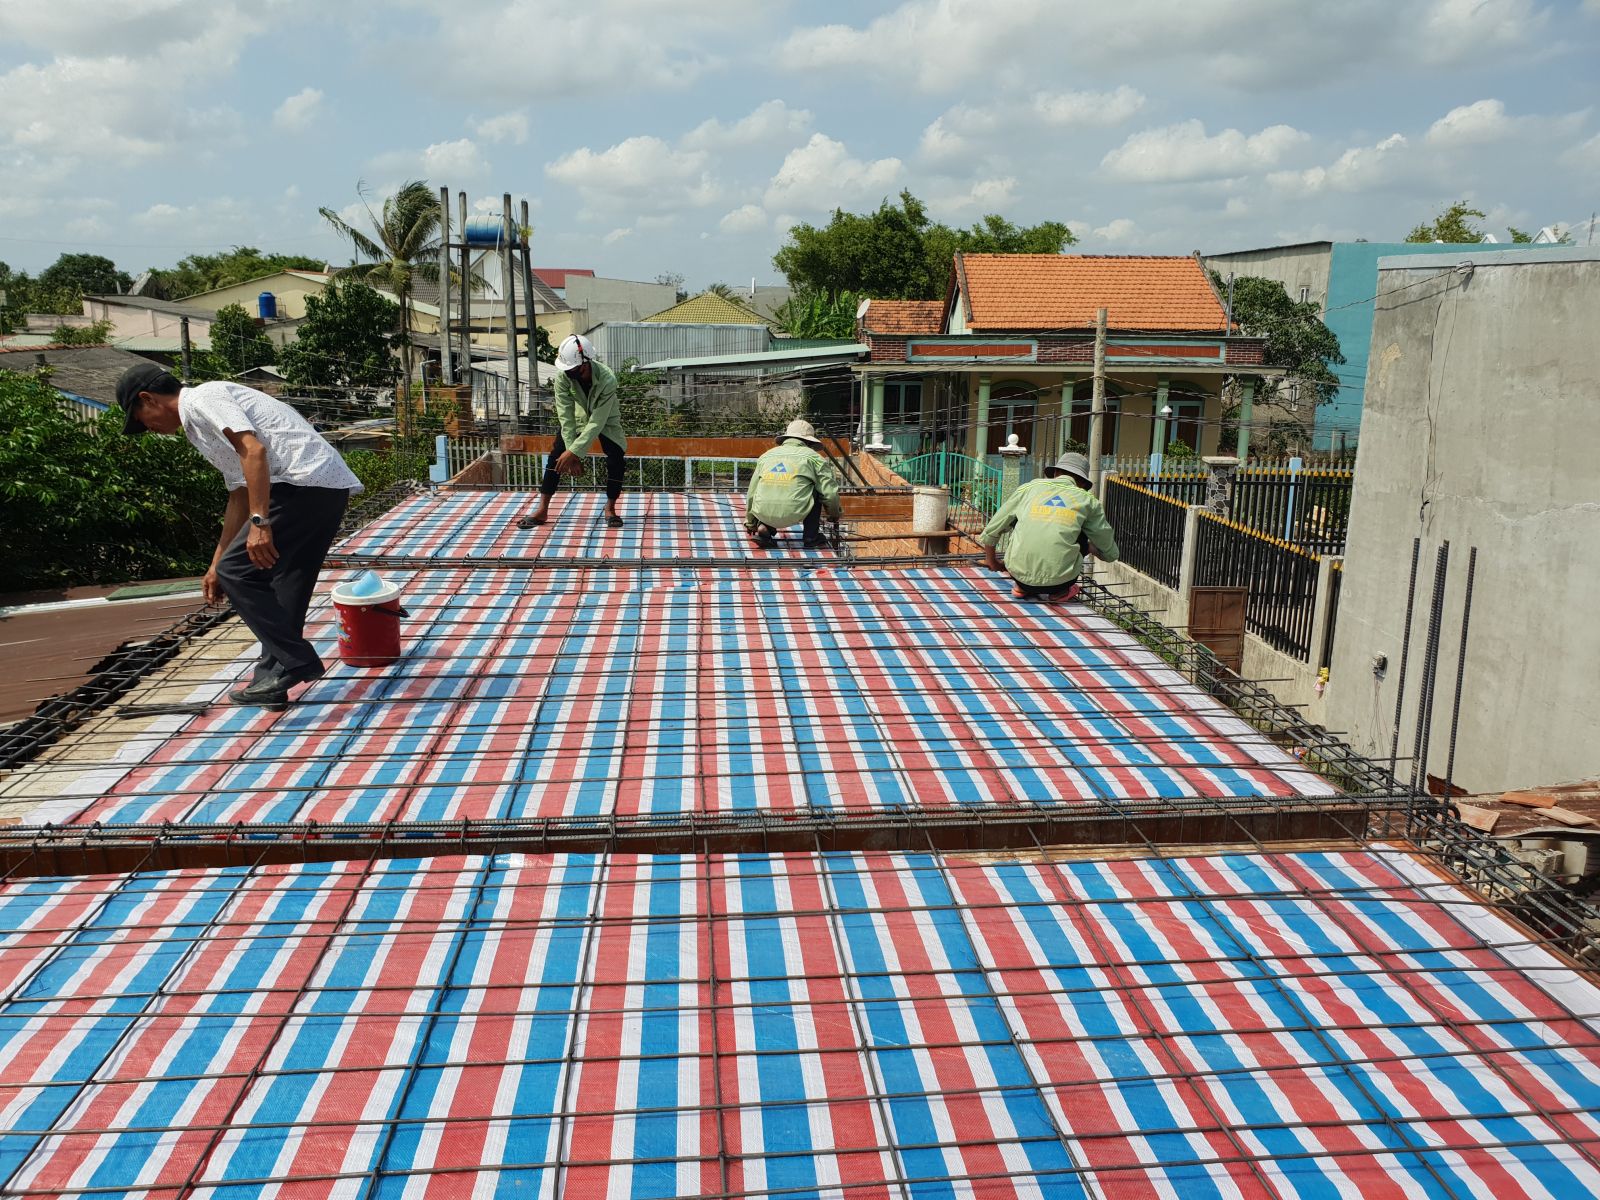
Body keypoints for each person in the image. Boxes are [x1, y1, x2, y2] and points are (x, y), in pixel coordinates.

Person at [115, 363, 362, 710]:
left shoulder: (203, 398)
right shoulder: (197, 429)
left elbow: (254, 451)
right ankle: (273, 679)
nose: (147, 428)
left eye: (141, 419)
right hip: (320, 486)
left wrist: (260, 524)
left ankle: (299, 661)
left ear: (149, 399)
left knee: (238, 572)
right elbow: (239, 494)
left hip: (302, 482)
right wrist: (215, 564)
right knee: (281, 579)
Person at [515, 333, 627, 529]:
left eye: (571, 369)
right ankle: (542, 509)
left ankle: (610, 508)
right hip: (577, 417)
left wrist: (575, 451)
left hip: (606, 418)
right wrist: (570, 452)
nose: (567, 372)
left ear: (584, 364)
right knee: (557, 456)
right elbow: (565, 415)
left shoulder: (607, 379)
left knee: (616, 456)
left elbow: (597, 421)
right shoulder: (563, 377)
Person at [977, 450, 1118, 603]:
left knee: (1021, 520)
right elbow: (1109, 550)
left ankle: (1021, 587)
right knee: (1080, 531)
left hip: (1017, 573)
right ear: (1083, 483)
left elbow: (992, 529)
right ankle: (1060, 593)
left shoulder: (1029, 488)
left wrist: (992, 562)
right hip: (1061, 580)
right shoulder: (1088, 500)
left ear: (1055, 473)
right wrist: (1092, 549)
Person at [744, 419, 842, 549]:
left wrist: (750, 522)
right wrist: (834, 514)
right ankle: (811, 537)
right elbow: (829, 493)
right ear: (809, 442)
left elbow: (752, 492)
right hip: (796, 512)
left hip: (762, 512)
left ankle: (764, 528)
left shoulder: (766, 456)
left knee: (771, 486)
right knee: (817, 490)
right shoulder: (815, 458)